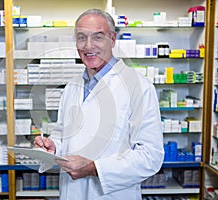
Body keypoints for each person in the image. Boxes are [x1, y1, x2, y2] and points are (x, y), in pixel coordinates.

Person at [34, 8, 164, 199]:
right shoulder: (72, 86)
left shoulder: (138, 86)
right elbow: (63, 132)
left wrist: (94, 168)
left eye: (97, 37)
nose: (88, 46)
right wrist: (54, 146)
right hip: (71, 192)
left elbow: (150, 157)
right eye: (81, 37)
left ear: (112, 39)